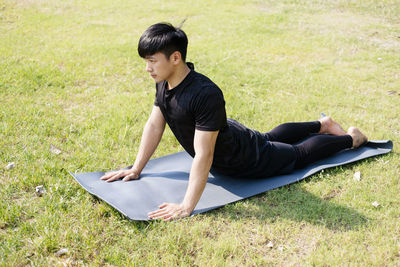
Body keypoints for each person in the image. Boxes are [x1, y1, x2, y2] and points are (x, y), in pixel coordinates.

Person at [100, 22, 368, 221]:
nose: (147, 68)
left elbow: (204, 155)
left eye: (151, 61)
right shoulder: (165, 81)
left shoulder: (204, 94)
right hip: (233, 136)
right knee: (266, 136)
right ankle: (323, 124)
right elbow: (154, 125)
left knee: (296, 155)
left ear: (175, 57)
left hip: (243, 159)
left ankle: (351, 138)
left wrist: (186, 206)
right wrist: (136, 168)